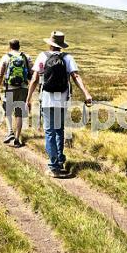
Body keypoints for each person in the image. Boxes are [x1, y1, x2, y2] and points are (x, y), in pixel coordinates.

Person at [26, 31, 92, 177]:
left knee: (49, 132)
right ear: (61, 45)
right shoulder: (68, 58)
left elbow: (35, 79)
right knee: (59, 130)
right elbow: (76, 76)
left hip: (47, 99)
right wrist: (86, 94)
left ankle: (53, 166)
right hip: (62, 100)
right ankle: (59, 160)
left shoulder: (42, 56)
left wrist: (28, 98)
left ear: (50, 43)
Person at [0, 39, 33, 147]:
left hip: (9, 88)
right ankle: (17, 138)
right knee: (19, 114)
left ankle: (10, 132)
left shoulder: (5, 57)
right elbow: (32, 73)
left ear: (10, 46)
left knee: (7, 110)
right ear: (19, 46)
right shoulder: (26, 57)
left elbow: (0, 76)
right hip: (23, 88)